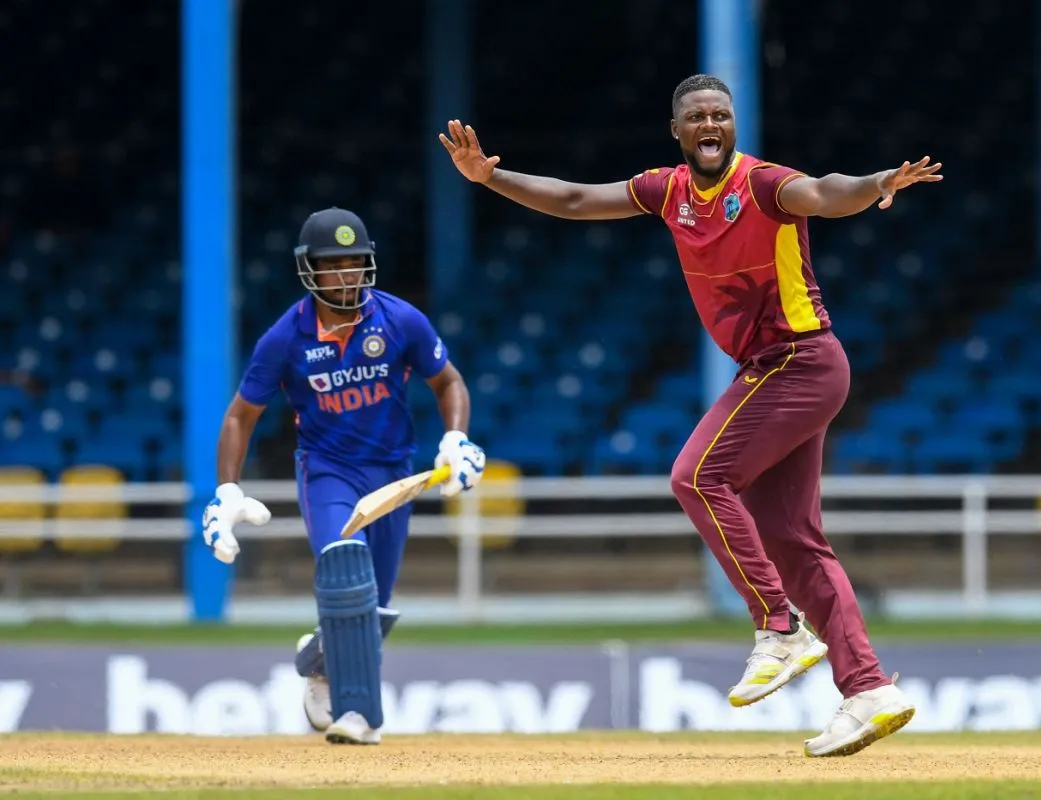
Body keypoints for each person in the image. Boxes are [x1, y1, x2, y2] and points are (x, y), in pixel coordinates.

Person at [439, 74, 942, 757]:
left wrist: (879, 181)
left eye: (721, 114)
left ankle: (778, 627)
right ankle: (870, 690)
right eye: (698, 116)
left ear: (734, 126)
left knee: (697, 477)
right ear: (677, 131)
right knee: (794, 542)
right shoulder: (666, 190)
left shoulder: (764, 184)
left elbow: (826, 193)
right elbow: (578, 199)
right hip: (778, 370)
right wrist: (488, 179)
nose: (711, 124)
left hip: (801, 360)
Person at [200, 207, 486, 745]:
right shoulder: (285, 338)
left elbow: (449, 383)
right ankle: (360, 715)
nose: (348, 275)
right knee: (346, 575)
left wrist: (456, 437)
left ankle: (319, 661)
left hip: (395, 470)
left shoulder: (400, 320)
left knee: (373, 605)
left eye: (356, 263)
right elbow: (241, 414)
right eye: (335, 265)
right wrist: (227, 490)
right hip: (328, 470)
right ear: (311, 270)